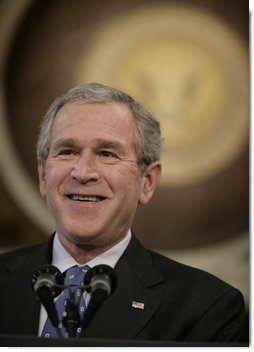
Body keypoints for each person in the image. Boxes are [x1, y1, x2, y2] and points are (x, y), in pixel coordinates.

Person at [0, 83, 245, 344]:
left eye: (106, 153)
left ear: (147, 182)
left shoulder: (208, 308)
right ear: (42, 176)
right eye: (67, 152)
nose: (83, 172)